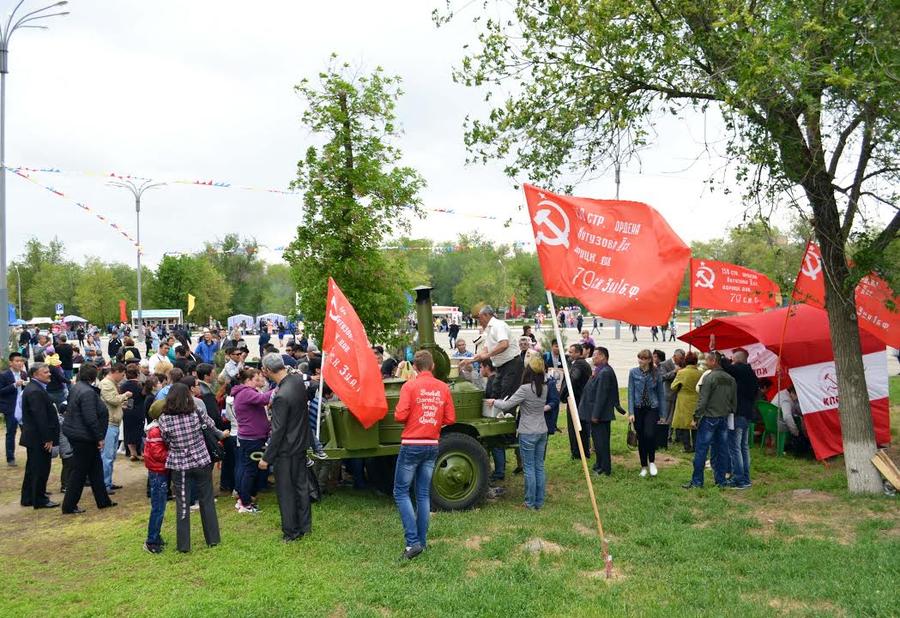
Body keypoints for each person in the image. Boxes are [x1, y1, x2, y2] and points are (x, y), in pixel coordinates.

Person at [393, 351, 456, 559]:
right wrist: (432, 420)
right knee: (422, 495)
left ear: (415, 367)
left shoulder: (409, 386)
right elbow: (450, 418)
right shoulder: (443, 387)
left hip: (411, 444)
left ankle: (412, 543)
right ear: (433, 367)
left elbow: (400, 415)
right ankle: (422, 542)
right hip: (432, 444)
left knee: (401, 492)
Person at [158, 382, 227, 552]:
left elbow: (166, 440)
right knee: (207, 500)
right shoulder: (197, 411)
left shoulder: (164, 418)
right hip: (202, 461)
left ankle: (183, 545)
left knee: (182, 504)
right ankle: (213, 539)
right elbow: (211, 427)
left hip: (180, 465)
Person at [258, 353, 312, 542]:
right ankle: (305, 526)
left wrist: (266, 457)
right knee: (301, 487)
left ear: (266, 371)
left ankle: (291, 531)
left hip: (286, 450)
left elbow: (278, 431)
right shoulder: (296, 381)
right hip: (300, 444)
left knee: (286, 492)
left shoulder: (281, 395)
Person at [488, 355, 548, 510]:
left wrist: (494, 401)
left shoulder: (525, 389)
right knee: (539, 467)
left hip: (528, 431)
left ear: (528, 371)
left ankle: (529, 503)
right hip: (542, 430)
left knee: (529, 468)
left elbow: (507, 405)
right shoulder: (545, 387)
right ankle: (539, 501)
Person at [61, 363, 116, 514]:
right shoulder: (87, 393)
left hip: (80, 434)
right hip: (84, 437)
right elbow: (90, 417)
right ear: (93, 376)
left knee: (95, 468)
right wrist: (99, 437)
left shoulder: (78, 387)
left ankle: (103, 500)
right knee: (79, 472)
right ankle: (69, 505)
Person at [683, 352, 737, 489]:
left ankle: (697, 482)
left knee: (701, 450)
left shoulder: (710, 377)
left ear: (713, 361)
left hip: (709, 418)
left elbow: (703, 400)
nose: (705, 363)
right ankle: (721, 481)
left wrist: (696, 417)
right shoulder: (730, 379)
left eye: (707, 360)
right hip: (723, 418)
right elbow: (734, 402)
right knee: (722, 450)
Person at [19, 363, 60, 508]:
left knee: (32, 468)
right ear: (35, 375)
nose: (49, 374)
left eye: (48, 371)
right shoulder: (35, 391)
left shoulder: (35, 388)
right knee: (40, 469)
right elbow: (40, 417)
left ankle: (28, 497)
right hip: (39, 438)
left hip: (35, 437)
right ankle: (39, 499)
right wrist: (47, 438)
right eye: (45, 372)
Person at [233, 367, 273, 513]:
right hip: (252, 438)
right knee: (250, 470)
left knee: (248, 469)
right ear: (248, 380)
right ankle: (246, 503)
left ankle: (244, 498)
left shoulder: (244, 392)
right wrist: (279, 387)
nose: (259, 382)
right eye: (256, 379)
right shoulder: (246, 392)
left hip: (249, 437)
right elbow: (264, 399)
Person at [578, 347, 623, 476]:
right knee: (597, 442)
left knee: (601, 442)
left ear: (603, 356)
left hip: (600, 415)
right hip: (596, 413)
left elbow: (601, 396)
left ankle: (604, 468)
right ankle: (599, 464)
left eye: (595, 355)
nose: (593, 357)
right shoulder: (599, 370)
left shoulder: (605, 372)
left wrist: (595, 415)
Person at [627, 349, 667, 478]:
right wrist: (631, 412)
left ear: (649, 360)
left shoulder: (656, 373)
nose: (641, 360)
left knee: (649, 434)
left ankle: (652, 462)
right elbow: (630, 393)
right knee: (641, 438)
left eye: (644, 358)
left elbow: (661, 393)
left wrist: (662, 413)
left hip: (652, 408)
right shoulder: (633, 372)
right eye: (639, 358)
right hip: (638, 408)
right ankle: (643, 466)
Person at [722, 349, 758, 489]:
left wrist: (720, 355)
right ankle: (746, 478)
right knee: (743, 447)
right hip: (747, 414)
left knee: (735, 448)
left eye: (733, 360)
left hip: (738, 415)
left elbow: (727, 367)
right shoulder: (751, 374)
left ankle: (739, 480)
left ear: (737, 360)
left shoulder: (741, 370)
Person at [472, 305, 521, 402]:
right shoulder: (489, 330)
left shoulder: (498, 325)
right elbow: (485, 349)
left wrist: (487, 355)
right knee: (495, 392)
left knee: (506, 395)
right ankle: (496, 416)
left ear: (486, 315)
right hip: (501, 367)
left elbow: (504, 344)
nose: (479, 321)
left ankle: (507, 416)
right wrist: (471, 360)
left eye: (479, 318)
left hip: (511, 364)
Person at [100, 363, 132, 492]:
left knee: (111, 456)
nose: (123, 378)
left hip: (113, 423)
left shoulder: (110, 383)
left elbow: (112, 402)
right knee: (107, 456)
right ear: (116, 372)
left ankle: (108, 481)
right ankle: (104, 484)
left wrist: (121, 405)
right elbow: (112, 399)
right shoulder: (107, 384)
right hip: (109, 424)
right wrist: (125, 396)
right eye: (122, 375)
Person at [142, 401, 168, 553]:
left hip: (158, 471)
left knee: (159, 506)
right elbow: (158, 454)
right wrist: (174, 454)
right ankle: (151, 540)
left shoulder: (155, 429)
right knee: (158, 507)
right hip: (158, 472)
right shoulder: (156, 432)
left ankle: (155, 536)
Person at [561, 343, 591, 460]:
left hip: (576, 400)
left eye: (572, 352)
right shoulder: (582, 364)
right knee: (582, 427)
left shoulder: (579, 364)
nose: (569, 353)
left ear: (578, 353)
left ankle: (577, 453)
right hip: (582, 400)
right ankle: (582, 451)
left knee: (576, 428)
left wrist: (563, 395)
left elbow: (573, 379)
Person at [0, 352, 27, 466]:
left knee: (27, 431)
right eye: (17, 361)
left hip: (23, 407)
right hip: (11, 407)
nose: (20, 363)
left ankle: (31, 454)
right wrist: (14, 385)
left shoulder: (24, 374)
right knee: (11, 432)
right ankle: (10, 458)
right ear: (11, 363)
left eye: (21, 361)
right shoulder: (4, 375)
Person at [671, 353, 702, 452]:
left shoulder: (681, 372)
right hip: (696, 399)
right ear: (696, 362)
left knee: (684, 425)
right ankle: (696, 446)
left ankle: (687, 447)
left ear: (685, 361)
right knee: (695, 424)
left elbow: (673, 386)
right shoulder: (701, 373)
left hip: (683, 400)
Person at [119, 365, 146, 461]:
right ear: (137, 374)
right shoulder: (141, 385)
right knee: (140, 431)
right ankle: (142, 452)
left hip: (127, 410)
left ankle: (132, 453)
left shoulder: (123, 386)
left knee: (128, 431)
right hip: (139, 410)